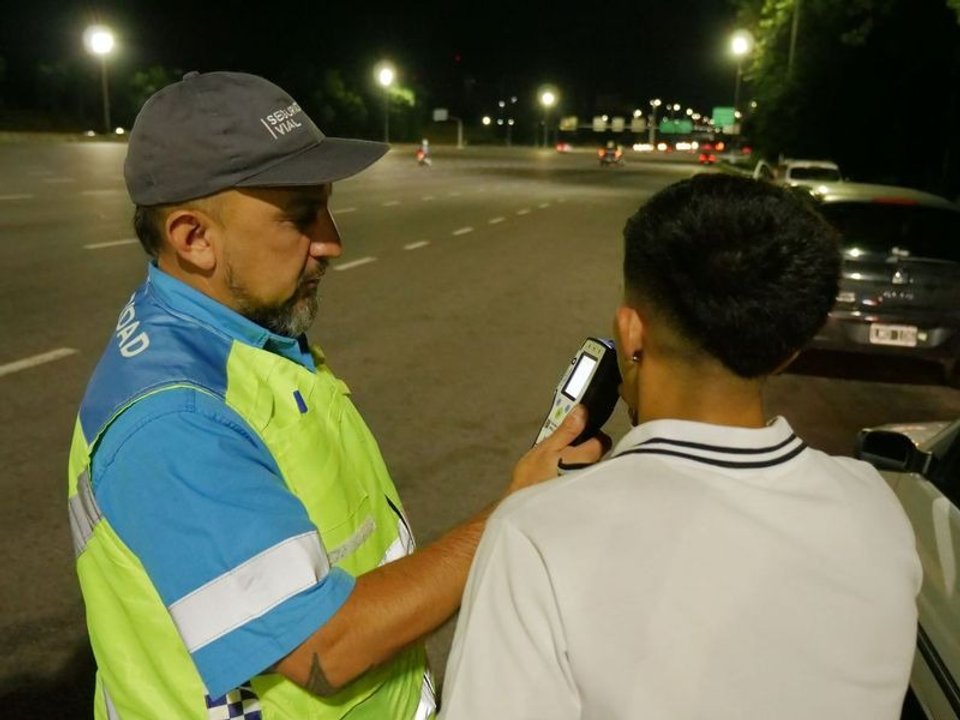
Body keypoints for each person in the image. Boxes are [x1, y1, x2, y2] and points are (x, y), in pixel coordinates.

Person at [65, 70, 604, 720]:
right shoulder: (173, 421)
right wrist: (519, 511)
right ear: (194, 238)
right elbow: (326, 650)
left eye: (326, 205)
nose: (333, 242)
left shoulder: (243, 334)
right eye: (300, 218)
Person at [439, 173, 922, 719]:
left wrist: (528, 503)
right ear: (787, 352)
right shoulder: (875, 509)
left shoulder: (537, 536)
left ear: (631, 333)